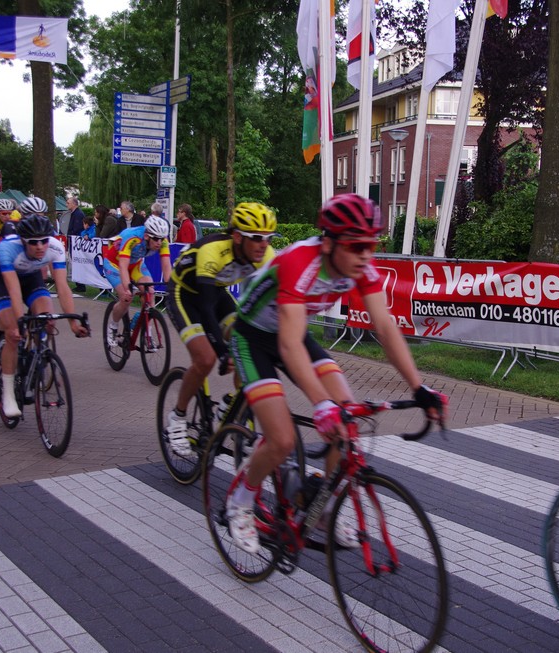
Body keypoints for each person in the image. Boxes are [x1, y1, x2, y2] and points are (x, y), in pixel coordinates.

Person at [223, 194, 448, 554]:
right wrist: (320, 403)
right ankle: (240, 500)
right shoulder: (300, 261)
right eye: (356, 246)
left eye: (372, 245)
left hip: (293, 334)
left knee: (347, 419)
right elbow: (289, 346)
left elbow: (385, 327)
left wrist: (419, 388)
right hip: (254, 338)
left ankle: (323, 508)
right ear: (328, 243)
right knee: (282, 440)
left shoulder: (361, 267)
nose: (366, 255)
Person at [162, 202, 278, 455]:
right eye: (256, 237)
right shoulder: (213, 249)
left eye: (268, 238)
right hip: (185, 294)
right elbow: (206, 308)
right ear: (237, 237)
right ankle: (177, 417)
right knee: (206, 359)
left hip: (217, 293)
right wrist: (222, 351)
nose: (263, 244)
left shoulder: (265, 255)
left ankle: (231, 407)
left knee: (248, 350)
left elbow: (274, 302)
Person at [0, 205, 89, 418]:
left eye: (44, 241)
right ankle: (8, 392)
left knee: (48, 319)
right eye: (33, 242)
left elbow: (62, 286)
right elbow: (14, 290)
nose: (40, 246)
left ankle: (37, 358)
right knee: (13, 334)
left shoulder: (55, 247)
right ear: (23, 241)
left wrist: (73, 323)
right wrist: (18, 322)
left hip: (31, 278)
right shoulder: (8, 248)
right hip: (5, 282)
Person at [103, 215, 172, 348]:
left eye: (162, 238)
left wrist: (170, 285)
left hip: (135, 264)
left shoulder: (162, 241)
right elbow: (123, 266)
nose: (159, 242)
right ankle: (113, 327)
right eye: (156, 239)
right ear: (147, 236)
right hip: (115, 264)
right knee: (126, 298)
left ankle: (147, 334)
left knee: (150, 292)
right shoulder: (132, 237)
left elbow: (166, 264)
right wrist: (127, 287)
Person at [65, 196, 87, 292]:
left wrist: (70, 235)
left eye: (68, 203)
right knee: (74, 263)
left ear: (74, 204)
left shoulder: (78, 214)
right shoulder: (74, 213)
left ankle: (81, 285)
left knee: (77, 263)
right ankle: (79, 284)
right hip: (73, 241)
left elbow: (77, 228)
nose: (66, 205)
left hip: (75, 242)